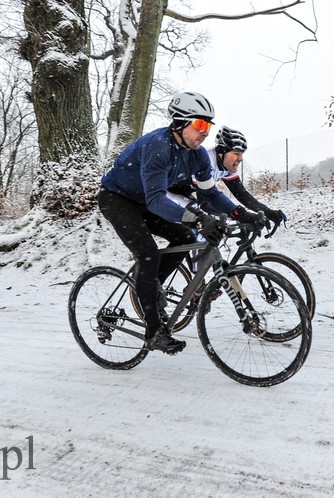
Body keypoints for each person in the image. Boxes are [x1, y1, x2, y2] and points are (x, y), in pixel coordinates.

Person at [98, 91, 262, 355]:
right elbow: (156, 200)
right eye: (200, 124)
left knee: (185, 238)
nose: (205, 132)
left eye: (208, 126)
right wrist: (198, 218)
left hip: (142, 200)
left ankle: (151, 286)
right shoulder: (158, 146)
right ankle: (154, 333)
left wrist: (242, 214)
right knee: (149, 254)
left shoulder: (197, 155)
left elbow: (211, 193)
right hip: (117, 199)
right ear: (179, 122)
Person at [200, 126, 287, 227]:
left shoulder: (226, 165)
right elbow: (204, 201)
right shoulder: (204, 160)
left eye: (241, 154)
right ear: (221, 151)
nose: (241, 158)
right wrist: (242, 216)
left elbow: (242, 194)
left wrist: (268, 212)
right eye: (236, 153)